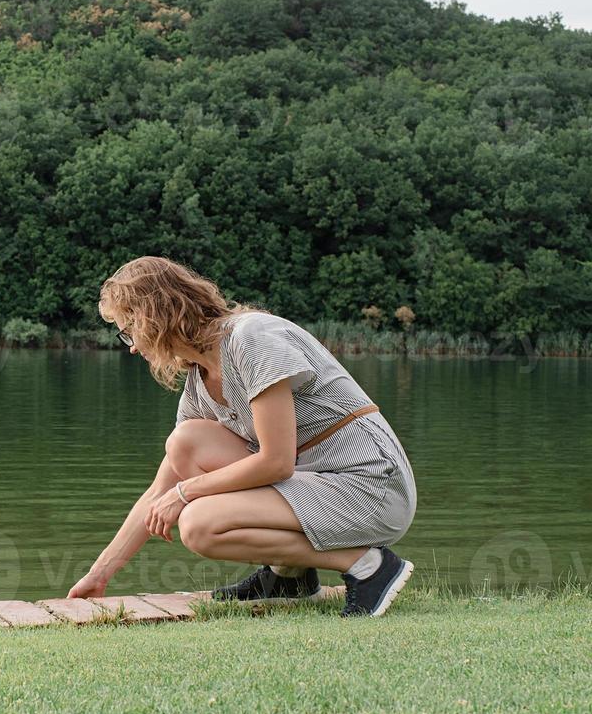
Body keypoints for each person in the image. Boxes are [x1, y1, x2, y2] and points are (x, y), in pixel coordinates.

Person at [66, 256, 418, 617]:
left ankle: (368, 566)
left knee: (199, 525)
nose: (132, 347)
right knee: (185, 443)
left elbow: (276, 462)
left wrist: (186, 493)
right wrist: (100, 574)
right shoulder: (199, 383)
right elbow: (158, 492)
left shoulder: (251, 339)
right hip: (318, 484)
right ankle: (288, 576)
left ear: (154, 316)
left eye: (129, 330)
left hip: (372, 486)